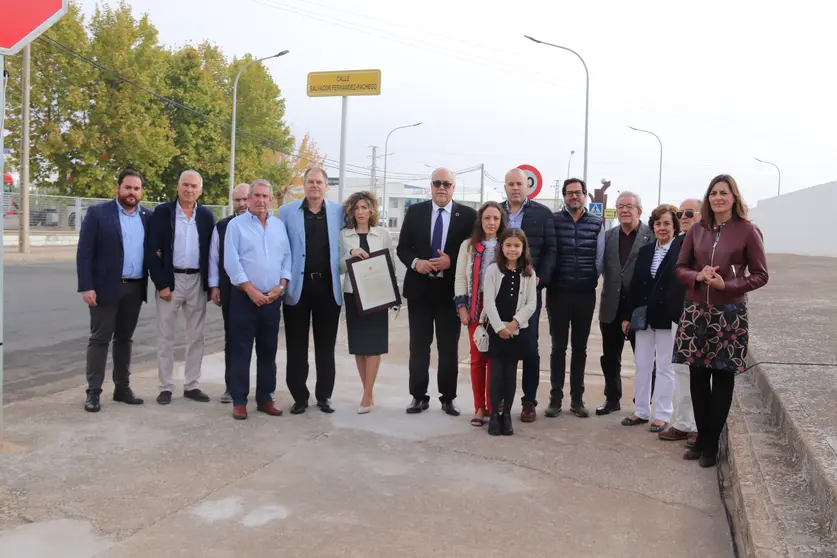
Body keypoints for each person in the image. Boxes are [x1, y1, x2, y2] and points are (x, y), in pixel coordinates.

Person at [675, 175, 768, 467]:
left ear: (734, 197)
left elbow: (760, 274)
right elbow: (680, 268)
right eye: (713, 193)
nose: (718, 198)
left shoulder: (748, 231)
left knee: (723, 380)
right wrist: (698, 277)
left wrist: (726, 285)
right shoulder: (697, 230)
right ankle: (702, 438)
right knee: (698, 380)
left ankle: (712, 444)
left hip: (729, 315)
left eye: (723, 193)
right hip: (696, 313)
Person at [397, 167, 477, 416]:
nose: (441, 188)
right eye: (436, 183)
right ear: (430, 187)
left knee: (448, 348)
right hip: (420, 291)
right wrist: (415, 263)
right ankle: (418, 397)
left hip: (448, 293)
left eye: (447, 184)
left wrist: (451, 261)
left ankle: (448, 398)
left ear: (454, 188)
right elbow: (402, 248)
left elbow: (473, 251)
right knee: (419, 347)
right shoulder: (415, 211)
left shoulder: (468, 216)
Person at [77, 169, 152, 412]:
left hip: (135, 287)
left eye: (136, 188)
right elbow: (84, 253)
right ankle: (94, 392)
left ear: (141, 192)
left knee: (124, 340)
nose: (132, 192)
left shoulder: (147, 217)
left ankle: (122, 388)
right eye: (128, 187)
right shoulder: (98, 214)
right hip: (104, 289)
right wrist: (86, 286)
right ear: (118, 188)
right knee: (99, 339)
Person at [146, 170, 215, 405]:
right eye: (185, 184)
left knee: (196, 336)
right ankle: (165, 387)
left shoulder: (206, 216)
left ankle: (191, 385)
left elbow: (212, 253)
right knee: (166, 336)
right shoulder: (163, 213)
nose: (189, 190)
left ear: (200, 190)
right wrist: (161, 284)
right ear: (178, 187)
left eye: (194, 186)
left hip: (196, 281)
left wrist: (211, 284)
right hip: (170, 280)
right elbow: (151, 250)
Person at [224, 180, 291, 420]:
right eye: (256, 196)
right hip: (244, 299)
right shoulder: (236, 226)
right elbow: (232, 262)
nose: (260, 200)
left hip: (272, 300)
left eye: (265, 196)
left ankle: (265, 398)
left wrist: (281, 286)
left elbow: (287, 259)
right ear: (249, 199)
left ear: (271, 199)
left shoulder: (279, 227)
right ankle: (239, 400)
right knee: (241, 352)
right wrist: (251, 290)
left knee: (268, 352)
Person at [280, 167, 345, 415]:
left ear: (326, 186)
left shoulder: (339, 213)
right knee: (296, 347)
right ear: (304, 185)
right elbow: (280, 247)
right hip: (298, 288)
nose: (314, 186)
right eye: (310, 181)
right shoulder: (287, 212)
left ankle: (324, 396)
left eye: (319, 182)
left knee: (325, 347)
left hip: (328, 289)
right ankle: (299, 396)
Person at [544, 178, 604, 419]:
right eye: (569, 194)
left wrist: (590, 279)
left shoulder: (597, 223)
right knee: (558, 347)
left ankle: (577, 400)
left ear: (585, 195)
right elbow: (550, 252)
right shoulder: (554, 221)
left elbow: (599, 259)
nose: (574, 197)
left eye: (578, 193)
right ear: (564, 196)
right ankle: (555, 399)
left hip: (585, 295)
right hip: (558, 294)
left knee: (580, 348)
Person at [620, 204, 683, 432]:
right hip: (644, 318)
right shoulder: (646, 250)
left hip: (668, 318)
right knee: (642, 364)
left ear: (674, 226)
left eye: (667, 223)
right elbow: (635, 286)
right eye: (658, 223)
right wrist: (627, 316)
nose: (662, 228)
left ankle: (663, 414)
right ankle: (641, 411)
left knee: (666, 367)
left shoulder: (681, 249)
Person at [502, 168, 556, 422]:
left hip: (530, 292)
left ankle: (529, 401)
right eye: (511, 184)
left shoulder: (542, 214)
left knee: (530, 348)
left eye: (519, 184)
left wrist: (540, 279)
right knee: (503, 344)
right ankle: (502, 397)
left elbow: (551, 251)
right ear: (505, 187)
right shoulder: (495, 213)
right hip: (500, 291)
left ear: (528, 187)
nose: (515, 188)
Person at [596, 191, 654, 416]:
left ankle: (643, 400)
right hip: (611, 306)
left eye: (629, 206)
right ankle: (612, 398)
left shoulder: (651, 235)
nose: (624, 210)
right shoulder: (608, 236)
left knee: (644, 357)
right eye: (620, 206)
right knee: (610, 357)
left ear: (639, 210)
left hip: (639, 308)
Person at [338, 191, 395, 414]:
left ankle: (367, 395)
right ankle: (367, 392)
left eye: (364, 207)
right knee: (360, 347)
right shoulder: (344, 235)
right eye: (356, 208)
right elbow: (339, 266)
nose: (360, 212)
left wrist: (392, 296)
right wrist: (350, 254)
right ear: (351, 212)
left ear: (371, 210)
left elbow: (389, 263)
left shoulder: (382, 233)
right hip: (354, 294)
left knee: (374, 346)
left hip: (378, 295)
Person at [454, 201, 507, 427]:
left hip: (500, 308)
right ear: (480, 220)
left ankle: (494, 405)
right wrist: (462, 308)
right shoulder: (468, 246)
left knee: (497, 360)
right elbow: (460, 279)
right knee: (477, 359)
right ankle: (479, 406)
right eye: (487, 218)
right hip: (475, 306)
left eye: (496, 218)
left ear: (501, 221)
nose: (491, 222)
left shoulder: (507, 245)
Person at [482, 229, 538, 436]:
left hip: (516, 332)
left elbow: (531, 304)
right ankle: (495, 416)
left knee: (510, 374)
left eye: (517, 246)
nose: (512, 249)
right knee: (496, 374)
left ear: (523, 249)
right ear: (501, 247)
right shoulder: (493, 270)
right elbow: (488, 302)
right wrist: (499, 328)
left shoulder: (529, 273)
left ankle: (507, 415)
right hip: (497, 331)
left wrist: (514, 324)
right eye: (508, 245)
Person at [657, 198, 701, 444]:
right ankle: (683, 423)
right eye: (680, 212)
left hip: (699, 317)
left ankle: (697, 426)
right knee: (680, 370)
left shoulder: (705, 241)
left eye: (688, 212)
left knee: (698, 373)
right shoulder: (679, 241)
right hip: (678, 317)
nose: (683, 216)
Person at [209, 183, 251, 404]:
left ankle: (264, 389)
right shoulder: (222, 227)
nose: (242, 204)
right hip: (230, 291)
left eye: (245, 199)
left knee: (260, 342)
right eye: (238, 200)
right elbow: (214, 258)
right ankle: (231, 387)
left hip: (259, 291)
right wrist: (214, 286)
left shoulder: (263, 224)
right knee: (233, 339)